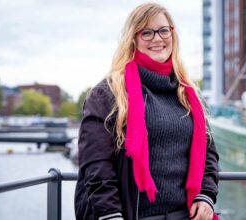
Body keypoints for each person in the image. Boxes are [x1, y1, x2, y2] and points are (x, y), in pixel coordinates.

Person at [74, 3, 219, 220]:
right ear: (133, 39)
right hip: (130, 216)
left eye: (163, 30)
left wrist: (206, 195)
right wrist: (110, 215)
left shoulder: (187, 93)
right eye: (147, 32)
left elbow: (208, 153)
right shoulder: (108, 92)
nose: (157, 39)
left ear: (172, 34)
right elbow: (96, 164)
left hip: (184, 215)